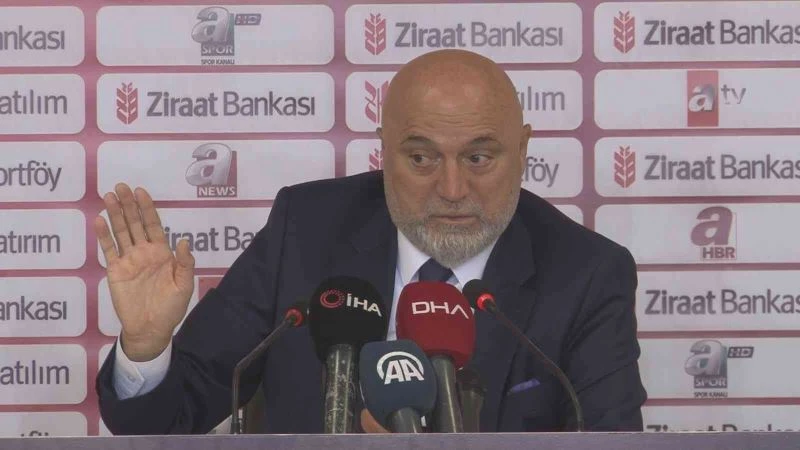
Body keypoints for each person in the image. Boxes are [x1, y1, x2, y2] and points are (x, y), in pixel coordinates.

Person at [95, 49, 647, 434]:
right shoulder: (305, 230)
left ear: (523, 149)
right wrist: (145, 345)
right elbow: (166, 423)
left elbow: (611, 438)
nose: (453, 189)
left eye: (479, 157)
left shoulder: (587, 273)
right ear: (383, 149)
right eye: (421, 157)